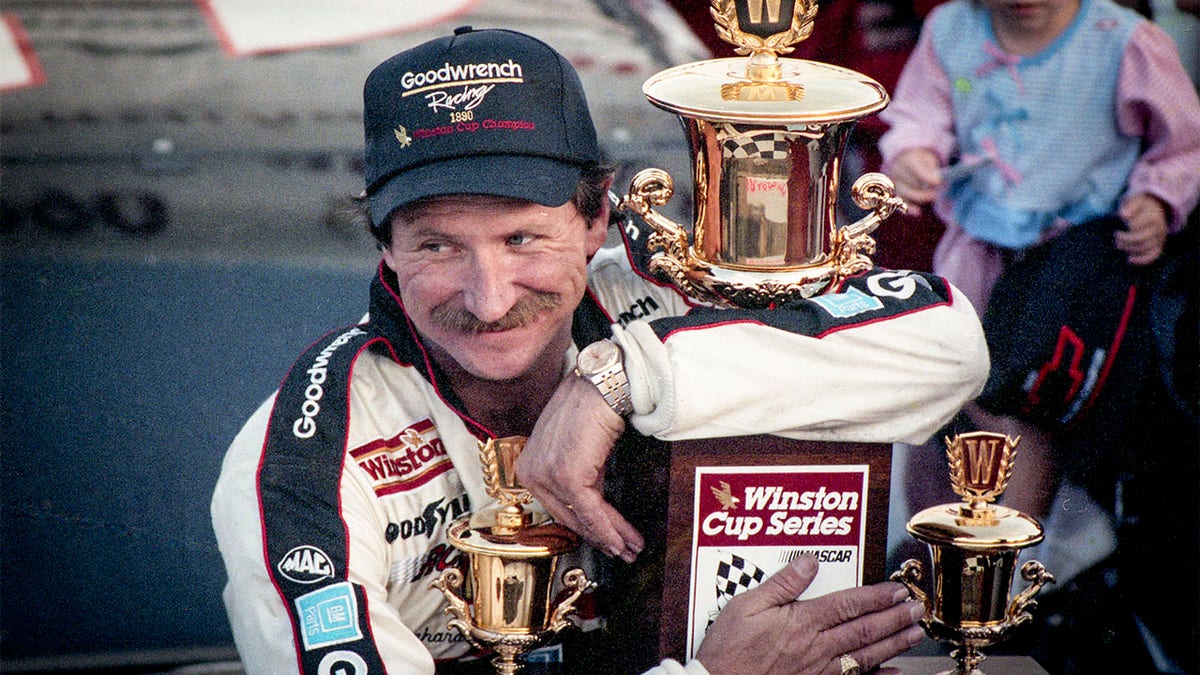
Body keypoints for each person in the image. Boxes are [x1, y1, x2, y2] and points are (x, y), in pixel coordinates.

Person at [212, 26, 989, 675]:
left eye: (523, 237)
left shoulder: (658, 301)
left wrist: (613, 381)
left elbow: (950, 342)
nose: (489, 297)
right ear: (386, 250)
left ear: (597, 220)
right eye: (438, 245)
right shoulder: (306, 463)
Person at [878, 0, 1200, 522]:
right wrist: (915, 154)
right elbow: (919, 112)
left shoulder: (1123, 41)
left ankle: (1010, 564)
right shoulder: (952, 28)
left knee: (1024, 407)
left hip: (1070, 265)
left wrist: (1158, 200)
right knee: (936, 391)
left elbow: (1182, 142)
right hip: (977, 248)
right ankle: (930, 543)